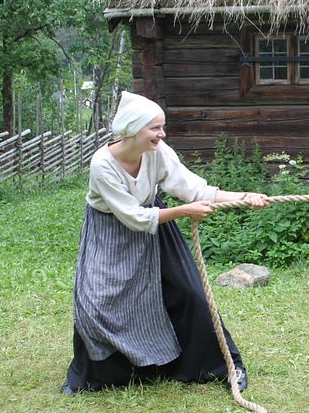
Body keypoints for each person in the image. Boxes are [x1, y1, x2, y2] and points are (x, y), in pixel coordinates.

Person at [61, 91, 268, 395]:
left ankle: (223, 365)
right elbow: (132, 216)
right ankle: (103, 375)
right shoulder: (102, 164)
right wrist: (184, 212)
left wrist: (243, 197)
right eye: (155, 128)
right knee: (95, 302)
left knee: (190, 293)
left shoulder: (158, 152)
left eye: (162, 127)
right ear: (133, 128)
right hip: (110, 231)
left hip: (158, 226)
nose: (162, 134)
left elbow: (195, 189)